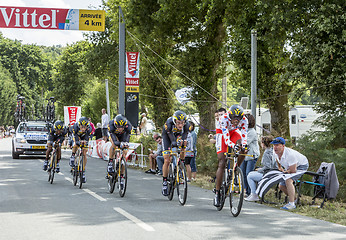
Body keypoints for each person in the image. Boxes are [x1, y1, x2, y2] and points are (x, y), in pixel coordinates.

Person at [214, 104, 248, 207]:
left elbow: (244, 135)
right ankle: (217, 191)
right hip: (222, 133)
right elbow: (226, 138)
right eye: (234, 118)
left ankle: (236, 168)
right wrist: (233, 146)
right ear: (230, 116)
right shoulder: (223, 118)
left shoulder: (245, 120)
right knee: (222, 161)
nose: (236, 120)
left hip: (233, 132)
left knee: (243, 148)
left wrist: (243, 145)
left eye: (239, 118)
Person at [272, 137, 309, 210]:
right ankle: (295, 199)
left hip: (301, 166)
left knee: (288, 180)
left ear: (283, 146)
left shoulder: (290, 155)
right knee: (281, 186)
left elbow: (293, 170)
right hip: (290, 166)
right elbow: (277, 159)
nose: (275, 147)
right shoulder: (275, 152)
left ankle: (292, 204)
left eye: (277, 145)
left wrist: (286, 171)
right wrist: (280, 167)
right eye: (274, 145)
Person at [161, 110, 190, 196]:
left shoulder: (187, 125)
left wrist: (182, 145)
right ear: (174, 121)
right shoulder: (168, 123)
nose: (180, 125)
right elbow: (170, 137)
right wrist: (173, 143)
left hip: (178, 135)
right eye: (178, 123)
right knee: (167, 159)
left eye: (182, 123)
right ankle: (165, 182)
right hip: (167, 135)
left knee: (183, 144)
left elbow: (185, 136)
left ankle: (181, 166)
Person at [245, 136, 276, 201]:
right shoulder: (273, 150)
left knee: (250, 176)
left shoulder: (266, 153)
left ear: (263, 143)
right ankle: (253, 194)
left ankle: (254, 194)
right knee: (251, 173)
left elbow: (268, 167)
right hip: (273, 173)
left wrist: (260, 170)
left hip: (268, 174)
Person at [107, 114, 132, 189]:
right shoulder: (111, 125)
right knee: (114, 145)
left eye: (122, 127)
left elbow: (127, 139)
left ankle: (121, 176)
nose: (120, 129)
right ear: (115, 125)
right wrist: (119, 143)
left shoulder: (128, 126)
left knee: (124, 153)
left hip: (123, 136)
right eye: (118, 127)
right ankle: (111, 161)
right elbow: (114, 141)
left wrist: (125, 145)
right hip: (114, 136)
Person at [240, 114, 260, 196]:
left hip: (252, 156)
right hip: (244, 155)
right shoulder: (243, 130)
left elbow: (245, 143)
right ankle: (245, 190)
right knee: (242, 172)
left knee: (248, 173)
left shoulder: (252, 132)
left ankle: (250, 191)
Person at [69, 117, 92, 183]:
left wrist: (85, 143)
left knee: (84, 152)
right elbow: (76, 139)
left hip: (84, 136)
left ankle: (83, 171)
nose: (83, 129)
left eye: (84, 127)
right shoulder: (75, 127)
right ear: (79, 125)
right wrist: (78, 142)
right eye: (81, 127)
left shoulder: (89, 129)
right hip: (77, 136)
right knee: (76, 145)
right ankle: (73, 156)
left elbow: (87, 138)